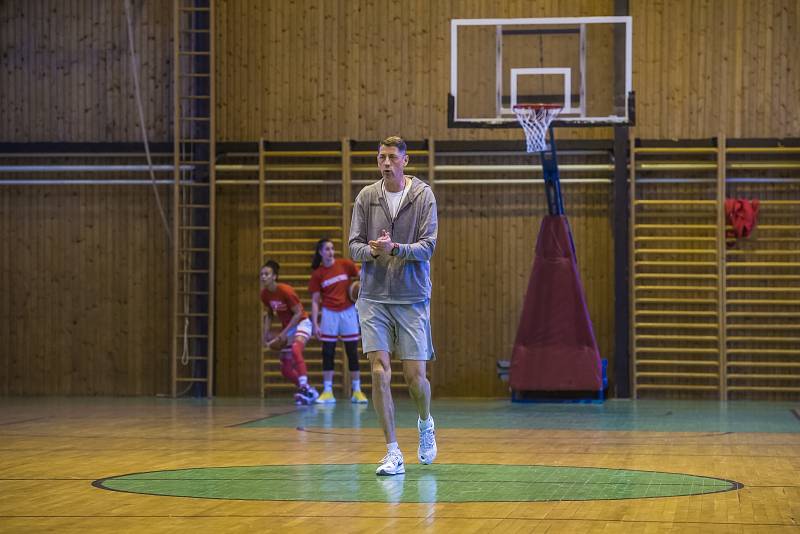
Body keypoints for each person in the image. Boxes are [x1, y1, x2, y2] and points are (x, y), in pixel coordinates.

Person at [349, 135, 438, 476]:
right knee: (379, 373)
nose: (385, 163)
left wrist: (396, 249)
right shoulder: (366, 197)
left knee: (415, 379)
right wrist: (371, 251)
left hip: (412, 298)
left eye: (391, 157)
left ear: (405, 160)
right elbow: (353, 244)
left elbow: (428, 247)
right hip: (373, 298)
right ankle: (392, 451)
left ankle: (426, 423)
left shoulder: (423, 196)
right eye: (381, 157)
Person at [308, 238, 368, 404]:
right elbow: (314, 301)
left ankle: (357, 391)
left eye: (332, 248)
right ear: (320, 252)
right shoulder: (318, 274)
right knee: (328, 352)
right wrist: (315, 323)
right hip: (329, 314)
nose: (330, 251)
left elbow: (362, 277)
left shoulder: (345, 264)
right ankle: (328, 392)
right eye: (327, 249)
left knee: (352, 352)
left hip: (348, 312)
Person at [259, 260, 319, 405]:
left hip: (301, 323)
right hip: (288, 327)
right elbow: (270, 313)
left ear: (274, 276)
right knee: (285, 369)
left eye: (267, 274)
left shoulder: (285, 290)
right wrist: (265, 333)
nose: (263, 277)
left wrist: (284, 333)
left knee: (296, 349)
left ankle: (304, 386)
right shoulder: (265, 294)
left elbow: (298, 313)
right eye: (261, 274)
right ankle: (309, 391)